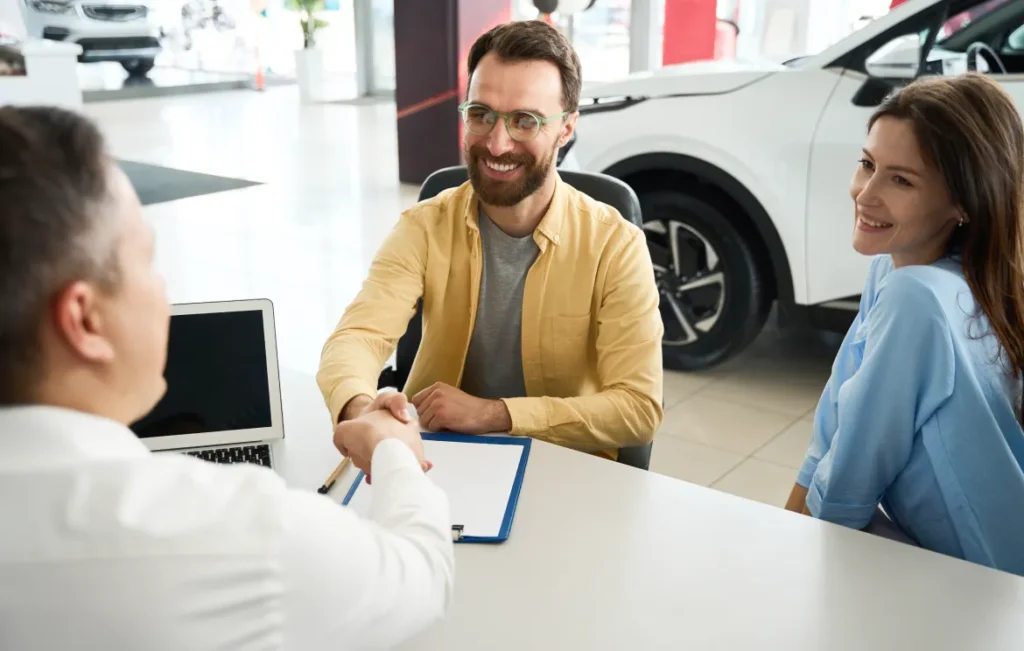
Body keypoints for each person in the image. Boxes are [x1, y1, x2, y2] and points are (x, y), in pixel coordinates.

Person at [0, 105, 454, 649]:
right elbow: (421, 575)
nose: (163, 289)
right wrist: (395, 449)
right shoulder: (245, 536)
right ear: (84, 320)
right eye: (147, 259)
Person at [318, 20, 664, 460]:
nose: (498, 144)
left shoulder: (616, 246)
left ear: (566, 128)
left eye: (525, 121)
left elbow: (639, 408)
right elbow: (356, 338)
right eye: (481, 115)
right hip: (438, 456)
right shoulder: (425, 225)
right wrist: (363, 409)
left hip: (565, 466)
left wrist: (493, 414)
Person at [783, 74, 1024, 576]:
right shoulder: (926, 272)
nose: (865, 195)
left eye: (901, 180)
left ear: (963, 202)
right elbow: (834, 425)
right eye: (868, 165)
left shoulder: (916, 299)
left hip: (982, 584)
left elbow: (849, 485)